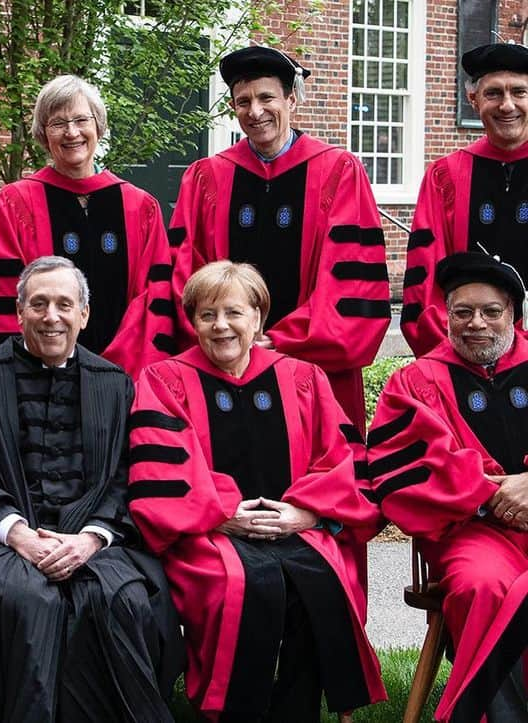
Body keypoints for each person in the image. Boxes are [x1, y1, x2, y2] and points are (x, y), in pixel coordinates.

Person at [129, 260, 386, 721]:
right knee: (239, 584)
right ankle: (232, 713)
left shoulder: (302, 377)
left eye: (234, 312)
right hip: (208, 536)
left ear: (258, 319)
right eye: (207, 315)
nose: (221, 325)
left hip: (297, 528)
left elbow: (339, 458)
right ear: (192, 321)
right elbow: (162, 467)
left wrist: (306, 513)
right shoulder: (164, 381)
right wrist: (223, 513)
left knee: (320, 581)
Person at [0, 255, 183, 723]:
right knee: (24, 601)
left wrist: (91, 538)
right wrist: (18, 535)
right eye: (39, 304)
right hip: (3, 541)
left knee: (121, 599)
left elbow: (132, 475)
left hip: (93, 540)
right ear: (19, 311)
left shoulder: (115, 385)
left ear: (84, 315)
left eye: (65, 304)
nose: (52, 316)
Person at [169, 46, 390, 431]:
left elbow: (350, 280)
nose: (255, 112)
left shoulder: (338, 172)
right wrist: (230, 334)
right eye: (243, 101)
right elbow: (185, 273)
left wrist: (278, 340)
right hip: (224, 362)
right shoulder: (208, 178)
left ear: (290, 98)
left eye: (266, 97)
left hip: (312, 365)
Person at [368, 252, 528, 722]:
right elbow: (401, 472)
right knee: (482, 586)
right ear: (446, 316)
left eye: (491, 312)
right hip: (469, 532)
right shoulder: (414, 382)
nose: (476, 323)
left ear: (513, 317)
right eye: (463, 312)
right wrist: (491, 495)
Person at [0, 75, 175, 378]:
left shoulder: (140, 207)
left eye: (82, 120)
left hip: (123, 379)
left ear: (98, 126)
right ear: (43, 134)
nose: (72, 132)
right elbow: (1, 301)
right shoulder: (14, 204)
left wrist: (115, 374)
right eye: (57, 124)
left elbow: (153, 303)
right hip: (34, 381)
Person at [402, 42, 528, 358]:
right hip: (463, 355)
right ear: (473, 100)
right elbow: (426, 276)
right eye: (494, 93)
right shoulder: (445, 177)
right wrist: (456, 350)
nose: (508, 105)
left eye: (519, 92)